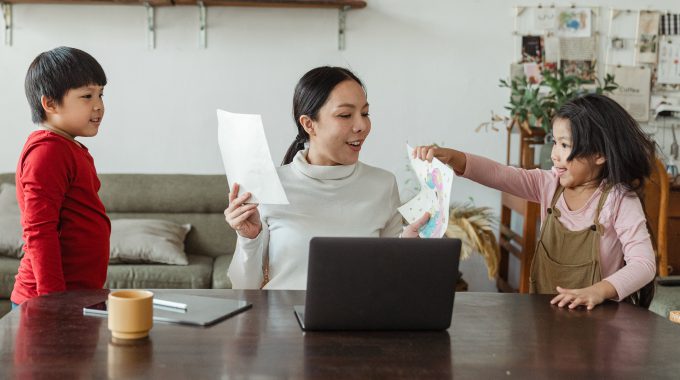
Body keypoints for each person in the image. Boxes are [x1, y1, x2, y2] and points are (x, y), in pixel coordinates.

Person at [414, 93, 656, 310]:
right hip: (546, 317)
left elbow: (644, 264)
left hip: (601, 325)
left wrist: (598, 291)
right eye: (555, 142)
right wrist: (455, 158)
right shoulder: (548, 185)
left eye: (565, 145)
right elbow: (501, 174)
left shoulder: (620, 200)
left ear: (599, 154)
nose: (554, 154)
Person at [225, 66, 429, 290]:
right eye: (345, 115)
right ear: (309, 124)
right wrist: (249, 238)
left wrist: (409, 249)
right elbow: (244, 287)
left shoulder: (382, 184)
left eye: (365, 113)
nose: (362, 125)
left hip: (358, 320)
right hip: (282, 320)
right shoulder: (267, 186)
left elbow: (390, 280)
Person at [10, 47, 111, 308]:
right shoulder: (48, 152)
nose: (99, 105)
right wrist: (53, 301)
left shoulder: (67, 147)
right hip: (49, 301)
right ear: (50, 103)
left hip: (77, 295)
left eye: (101, 94)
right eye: (87, 96)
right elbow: (39, 230)